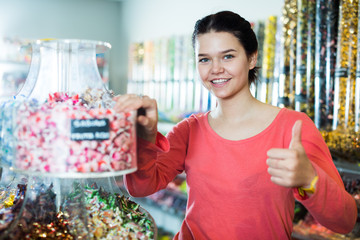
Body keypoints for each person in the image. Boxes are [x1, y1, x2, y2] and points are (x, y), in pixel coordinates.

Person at [114, 10, 357, 239]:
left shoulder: (292, 127)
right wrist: (145, 138)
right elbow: (140, 187)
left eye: (228, 56)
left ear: (252, 58)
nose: (216, 69)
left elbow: (345, 221)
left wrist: (309, 179)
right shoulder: (189, 130)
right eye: (205, 59)